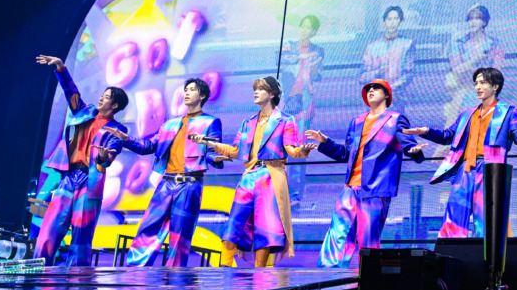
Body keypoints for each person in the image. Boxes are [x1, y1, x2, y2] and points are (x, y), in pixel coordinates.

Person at [193, 77, 312, 267]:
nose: (256, 92)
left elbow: (291, 150)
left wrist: (303, 151)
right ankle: (224, 266)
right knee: (235, 220)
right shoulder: (248, 122)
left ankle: (260, 271)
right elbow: (236, 151)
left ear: (271, 94)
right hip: (250, 175)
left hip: (271, 175)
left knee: (266, 226)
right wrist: (209, 142)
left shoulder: (285, 120)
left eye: (260, 89)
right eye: (255, 89)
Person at [403, 67, 517, 238]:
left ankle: (486, 253)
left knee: (487, 219)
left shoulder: (509, 112)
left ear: (495, 87)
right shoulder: (467, 113)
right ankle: (451, 252)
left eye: (483, 83)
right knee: (454, 216)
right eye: (476, 83)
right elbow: (447, 136)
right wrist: (426, 131)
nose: (478, 87)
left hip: (490, 169)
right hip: (465, 169)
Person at [103, 78, 223, 267]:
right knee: (147, 228)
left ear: (202, 95)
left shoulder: (210, 122)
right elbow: (147, 146)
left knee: (180, 235)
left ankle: (175, 277)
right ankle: (135, 271)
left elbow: (212, 149)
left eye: (192, 90)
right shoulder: (170, 124)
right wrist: (126, 139)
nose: (186, 93)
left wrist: (215, 158)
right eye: (186, 89)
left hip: (190, 184)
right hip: (166, 183)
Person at [305, 80, 426, 267]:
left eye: (376, 88)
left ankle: (368, 277)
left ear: (387, 95)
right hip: (350, 187)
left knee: (368, 240)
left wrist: (413, 150)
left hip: (375, 189)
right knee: (337, 234)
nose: (371, 91)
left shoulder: (395, 119)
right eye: (368, 89)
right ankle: (327, 276)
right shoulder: (357, 122)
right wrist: (325, 141)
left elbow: (407, 143)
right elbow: (345, 154)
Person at [33, 55, 129, 266]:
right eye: (102, 95)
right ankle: (38, 272)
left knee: (81, 236)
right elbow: (71, 92)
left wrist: (103, 157)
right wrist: (61, 68)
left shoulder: (118, 129)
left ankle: (77, 281)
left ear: (115, 105)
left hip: (90, 181)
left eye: (106, 97)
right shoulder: (84, 112)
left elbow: (111, 154)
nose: (101, 99)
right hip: (69, 178)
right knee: (49, 229)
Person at [281, 15, 325, 206]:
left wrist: (313, 67)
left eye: (309, 28)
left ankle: (294, 195)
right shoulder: (289, 45)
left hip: (304, 102)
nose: (304, 30)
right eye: (302, 26)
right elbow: (283, 61)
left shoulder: (318, 51)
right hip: (285, 101)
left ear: (314, 32)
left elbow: (317, 75)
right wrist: (303, 57)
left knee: (299, 147)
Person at [440, 5, 504, 138]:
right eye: (470, 19)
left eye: (477, 18)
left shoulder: (494, 44)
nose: (473, 22)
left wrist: (471, 71)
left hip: (485, 92)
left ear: (484, 22)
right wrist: (476, 59)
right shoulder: (459, 44)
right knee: (460, 104)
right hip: (463, 89)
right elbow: (457, 70)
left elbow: (496, 73)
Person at [360, 6, 415, 114]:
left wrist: (393, 87)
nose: (392, 22)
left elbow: (409, 73)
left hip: (397, 100)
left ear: (400, 21)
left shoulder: (407, 45)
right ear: (384, 21)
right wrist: (376, 73)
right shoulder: (372, 47)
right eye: (389, 19)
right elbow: (362, 76)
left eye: (396, 19)